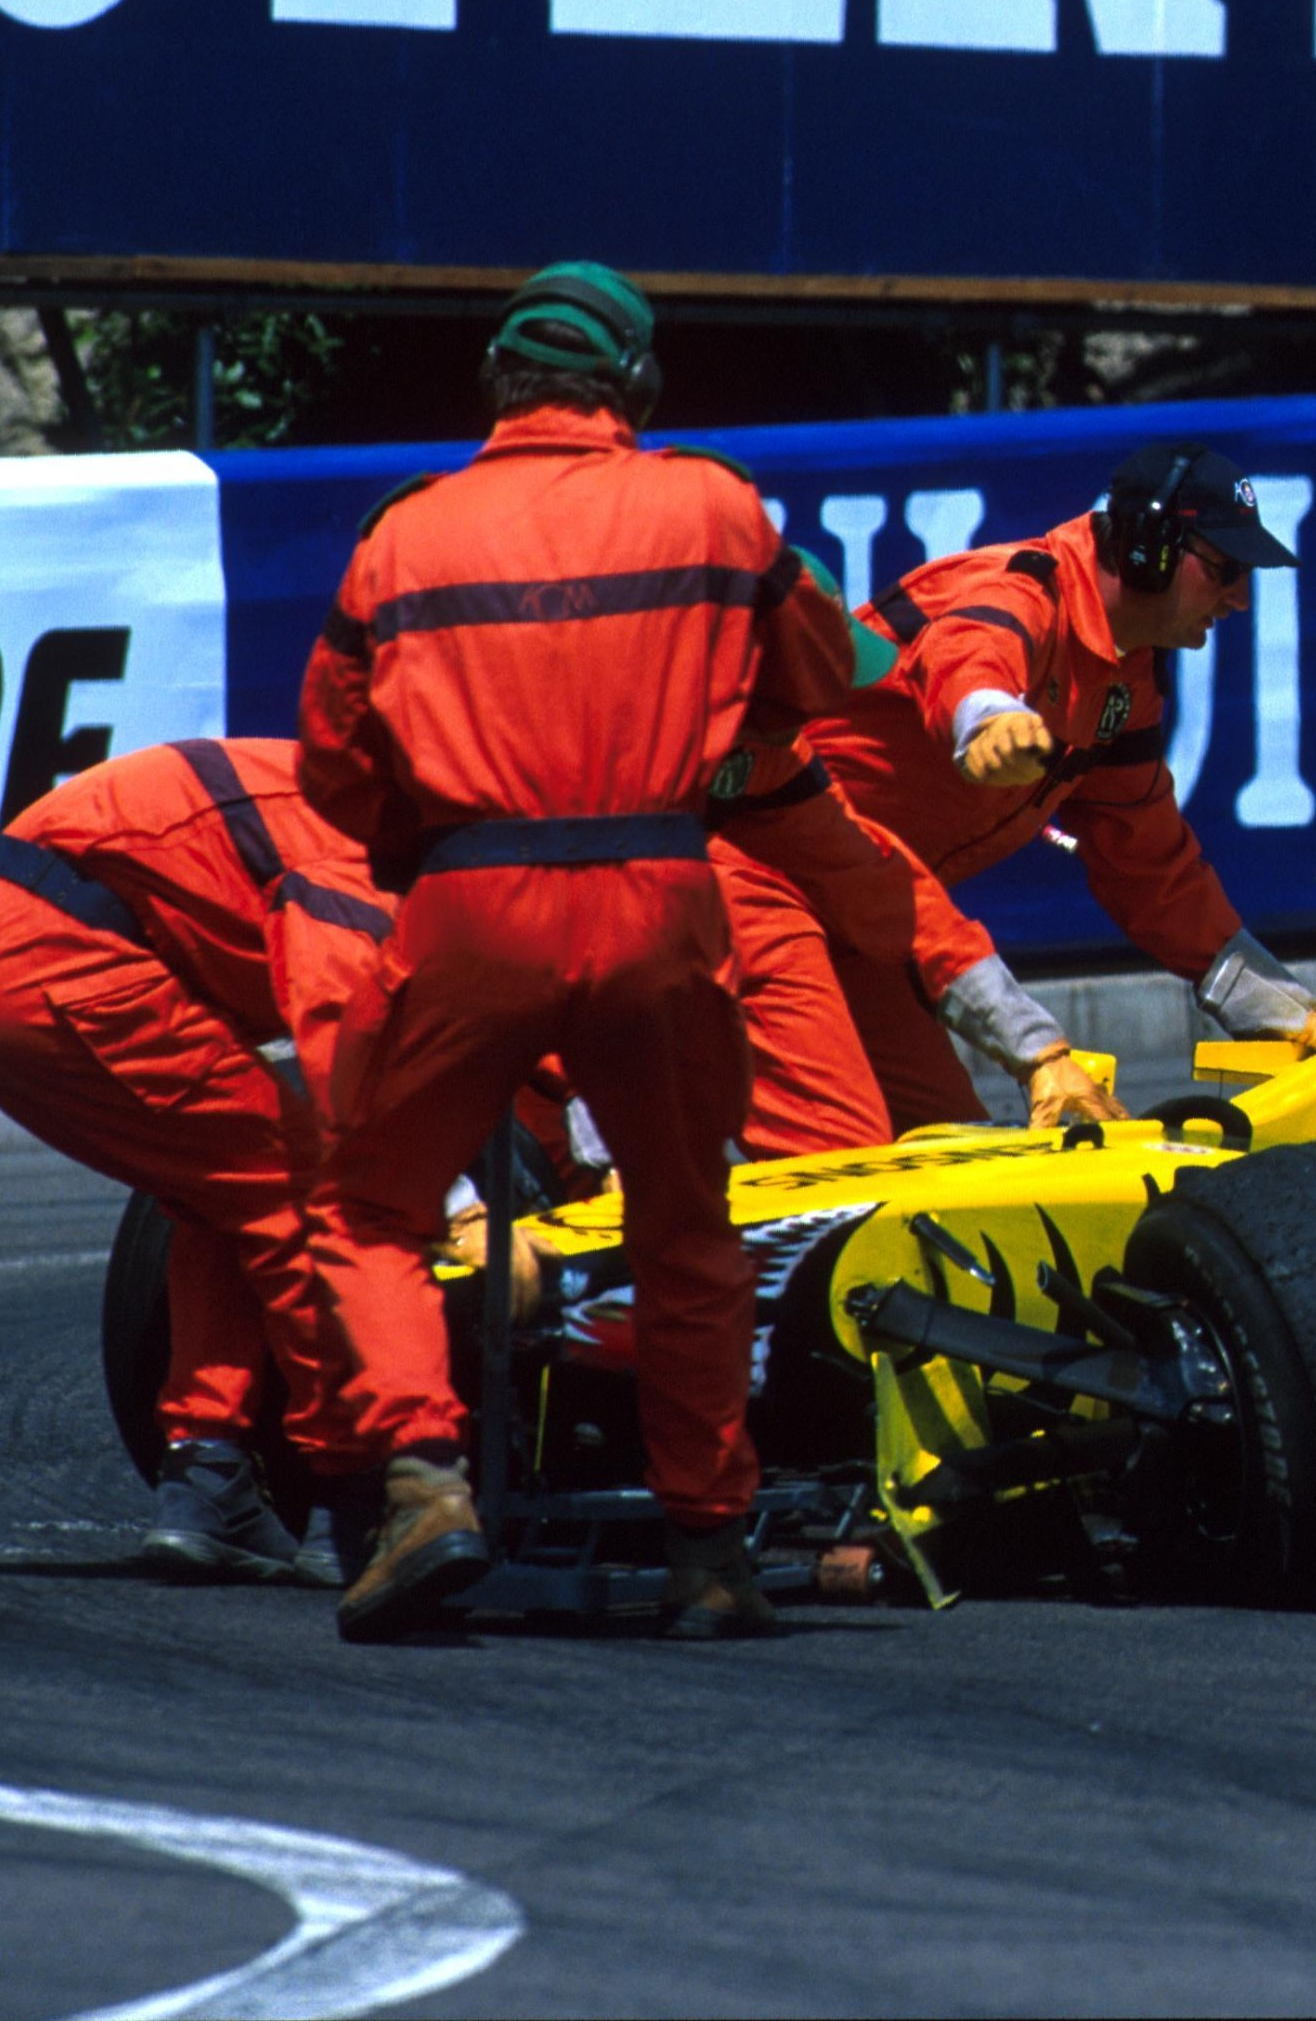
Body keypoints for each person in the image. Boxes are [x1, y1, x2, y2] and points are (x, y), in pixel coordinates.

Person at [295, 261, 876, 1643]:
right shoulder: (713, 505)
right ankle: (711, 1550)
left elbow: (332, 764)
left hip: (471, 905)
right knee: (687, 1224)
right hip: (661, 899)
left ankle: (424, 1479)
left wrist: (423, 839)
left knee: (369, 1210)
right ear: (635, 388)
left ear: (498, 385)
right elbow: (827, 677)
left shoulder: (401, 538)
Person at [0, 737, 392, 1586]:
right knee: (308, 1191)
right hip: (48, 964)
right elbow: (353, 1048)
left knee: (223, 1193)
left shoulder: (332, 797)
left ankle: (210, 1484)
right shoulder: (360, 849)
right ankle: (361, 1500)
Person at [807, 444, 1316, 1073]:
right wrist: (987, 717)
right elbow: (970, 653)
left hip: (861, 924)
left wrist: (1292, 1011)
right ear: (1151, 549)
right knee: (844, 1125)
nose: (1241, 600)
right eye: (1227, 570)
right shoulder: (1023, 591)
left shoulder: (1126, 678)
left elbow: (1148, 868)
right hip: (785, 883)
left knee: (941, 1120)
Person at [707, 736, 1119, 1135]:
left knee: (946, 1139)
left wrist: (1037, 1050)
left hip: (833, 909)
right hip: (728, 899)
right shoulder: (709, 725)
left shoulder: (776, 749)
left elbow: (876, 882)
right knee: (843, 1151)